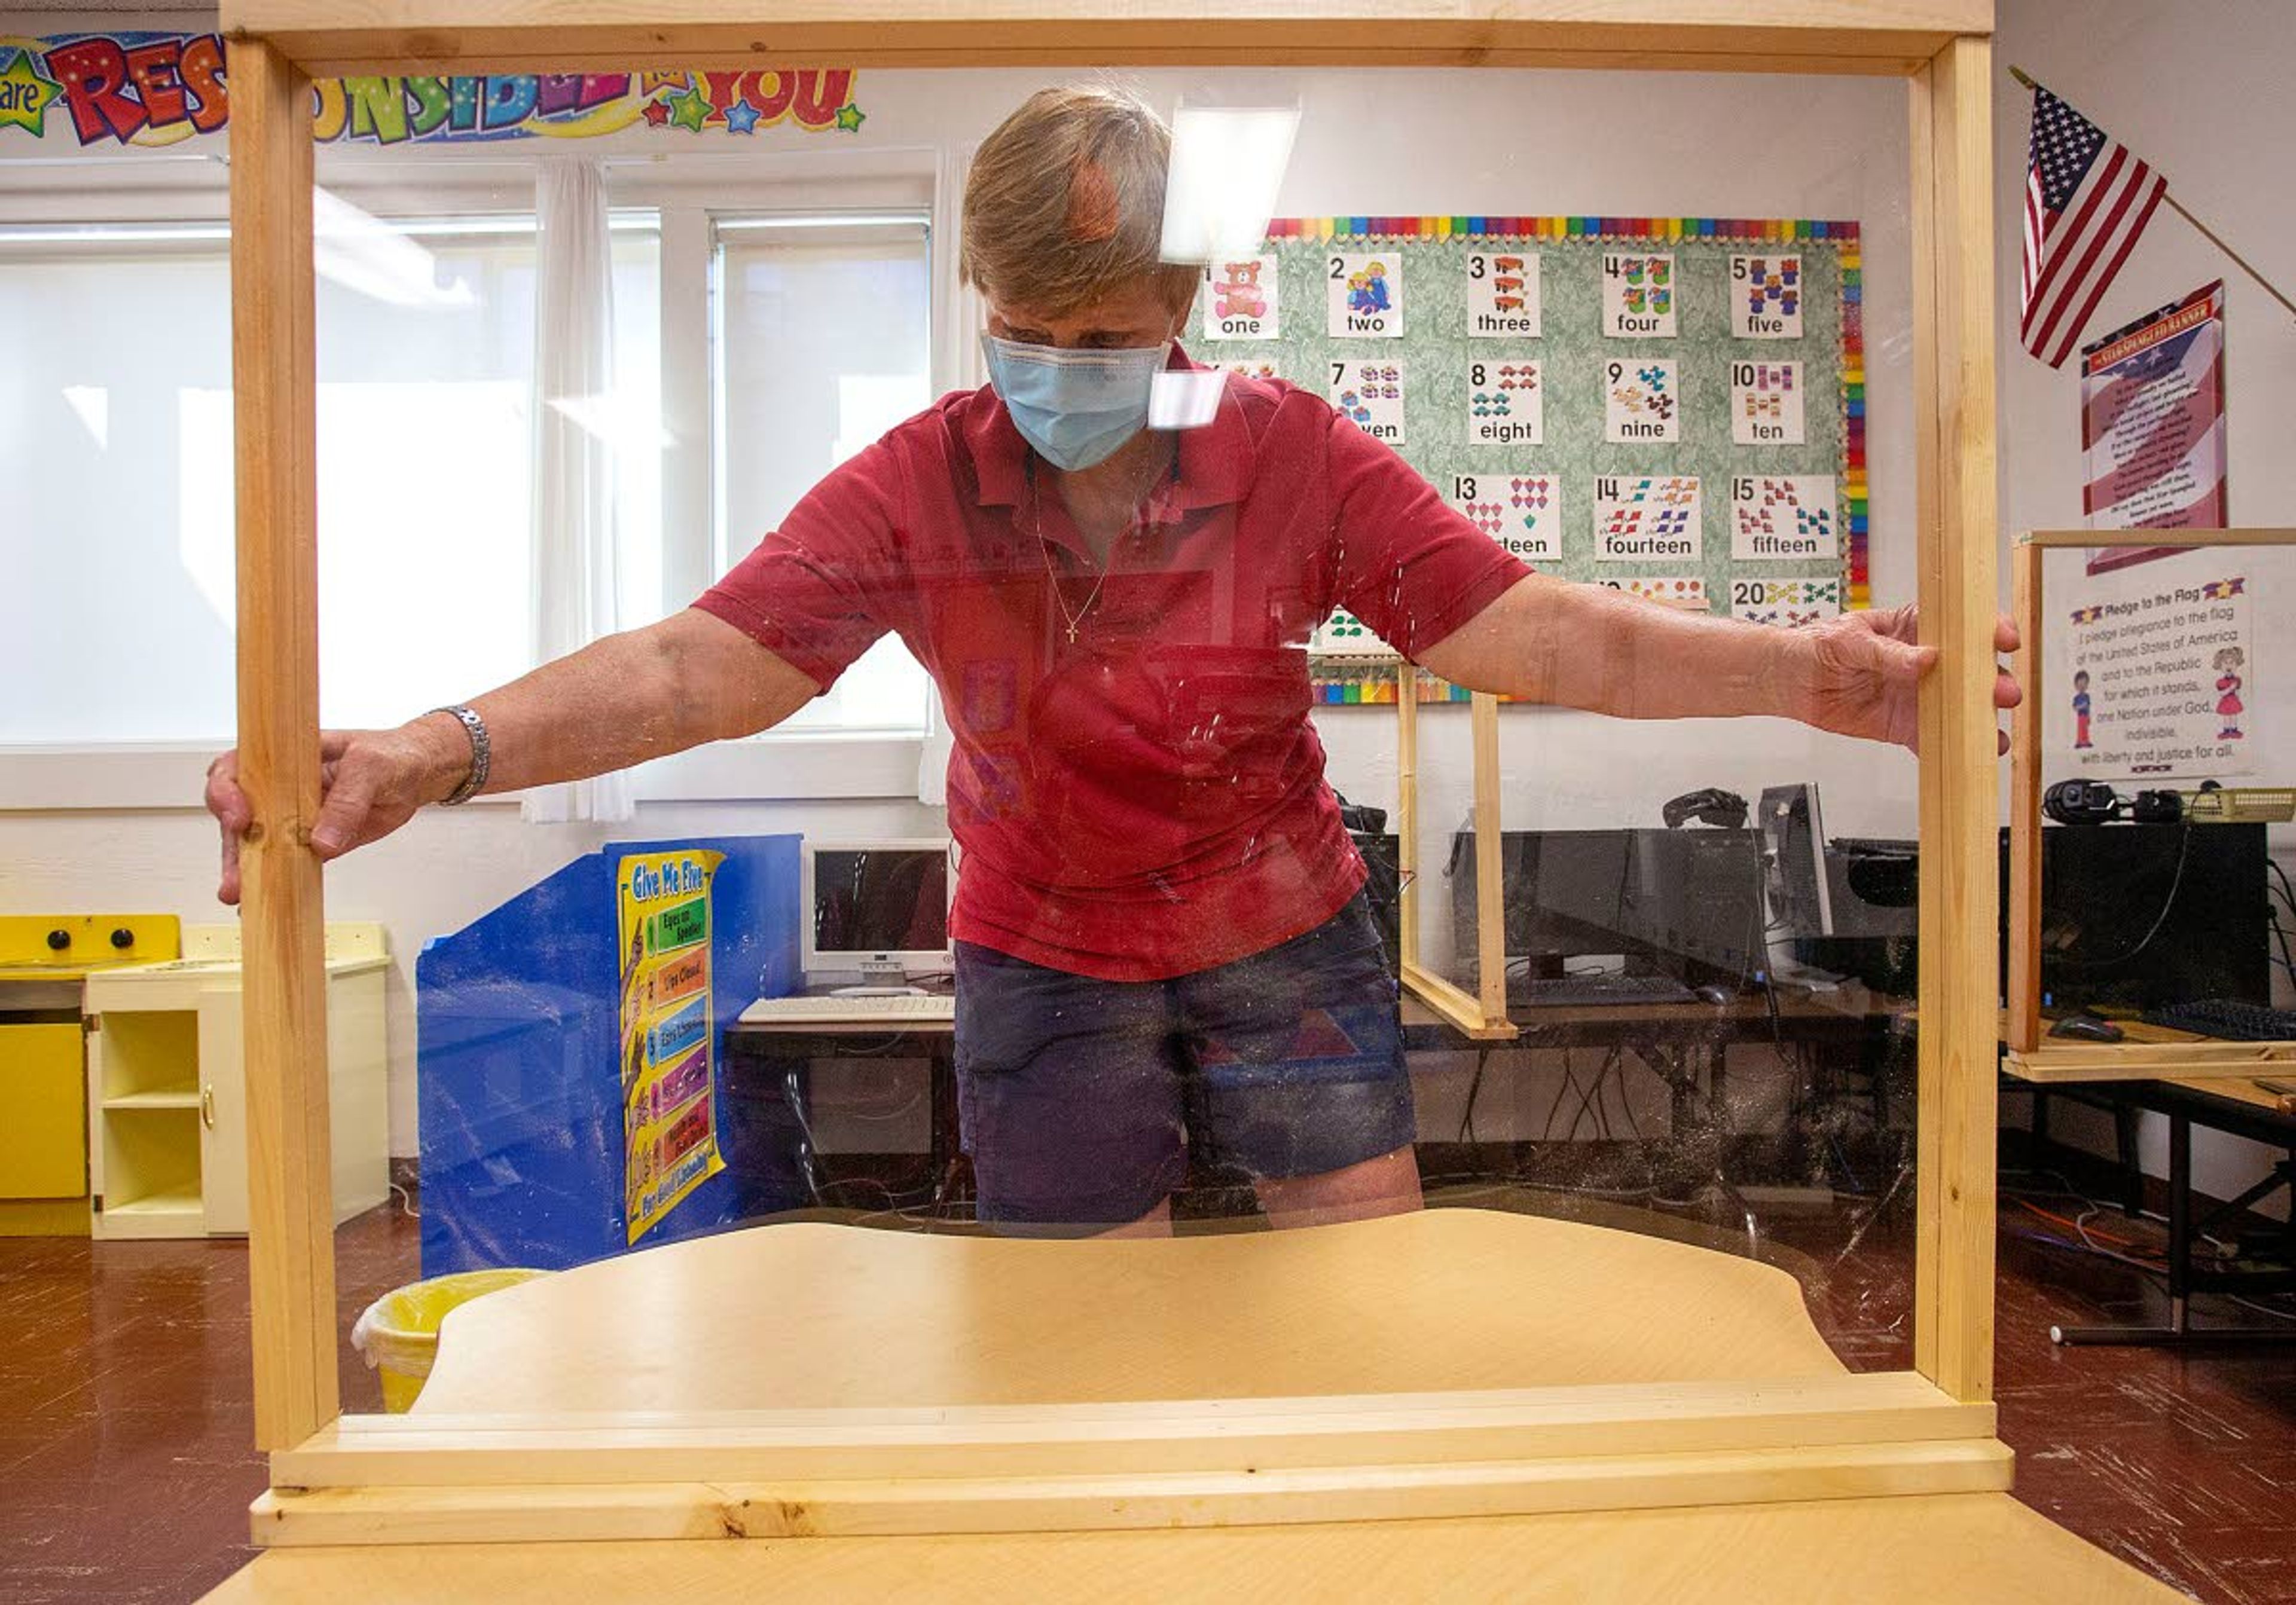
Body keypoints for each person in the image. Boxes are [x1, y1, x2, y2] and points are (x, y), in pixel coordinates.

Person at [206, 85, 2020, 1239]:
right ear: (977, 311)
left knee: (1364, 1259)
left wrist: (1806, 671)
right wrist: (441, 746)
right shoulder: (918, 477)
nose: (1060, 366)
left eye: (1103, 334)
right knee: (1079, 1300)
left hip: (1285, 920)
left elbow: (1533, 629)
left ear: (1181, 314)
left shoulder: (1294, 450)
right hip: (1041, 944)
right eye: (1024, 333)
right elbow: (702, 666)